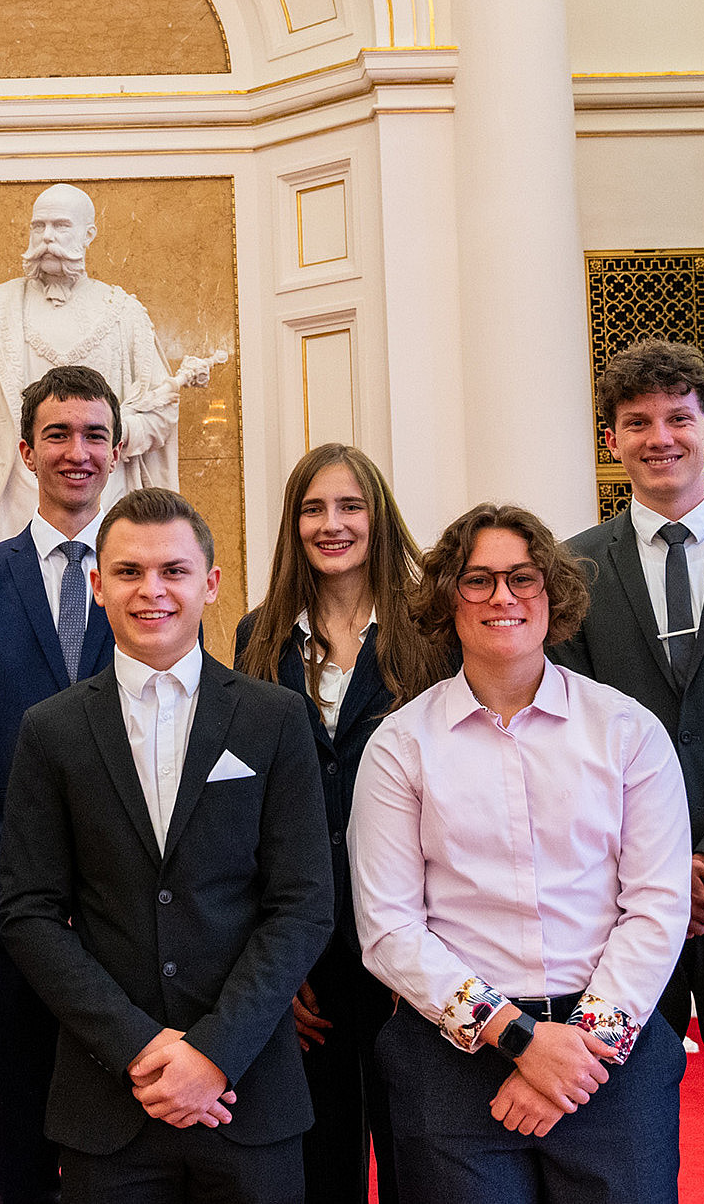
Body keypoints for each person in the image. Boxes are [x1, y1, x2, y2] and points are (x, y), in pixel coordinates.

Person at [0, 487, 334, 1204]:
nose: (151, 591)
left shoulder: (274, 718)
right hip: (109, 1099)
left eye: (173, 571)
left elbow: (303, 905)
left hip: (248, 1093)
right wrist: (142, 1049)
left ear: (209, 584)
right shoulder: (51, 729)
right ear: (96, 584)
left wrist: (213, 1053)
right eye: (127, 572)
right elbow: (28, 912)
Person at [352, 502, 692, 1203]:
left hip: (609, 1055)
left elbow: (657, 907)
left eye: (523, 578)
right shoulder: (401, 745)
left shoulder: (627, 730)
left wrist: (578, 1051)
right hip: (454, 1061)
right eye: (477, 581)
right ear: (449, 599)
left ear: (552, 593)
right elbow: (388, 929)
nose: (502, 597)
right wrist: (522, 1043)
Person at [552, 338, 704, 1202]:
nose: (659, 437)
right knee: (628, 1117)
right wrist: (663, 865)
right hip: (622, 890)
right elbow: (564, 733)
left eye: (679, 418)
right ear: (611, 441)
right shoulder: (568, 567)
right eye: (636, 422)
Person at [233, 443, 447, 1204]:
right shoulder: (258, 636)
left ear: (378, 516)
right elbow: (245, 810)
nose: (333, 524)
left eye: (350, 506)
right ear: (294, 524)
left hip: (415, 933)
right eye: (314, 508)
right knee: (321, 1167)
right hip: (302, 945)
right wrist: (270, 973)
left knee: (420, 1155)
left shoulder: (433, 630)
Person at [0, 365, 125, 1204]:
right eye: (57, 434)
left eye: (92, 435)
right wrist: (20, 892)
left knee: (123, 1135)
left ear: (116, 452)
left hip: (131, 911)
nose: (75, 452)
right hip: (11, 914)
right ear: (24, 450)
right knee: (22, 1134)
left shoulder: (150, 579)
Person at [0, 183, 221, 626]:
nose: (48, 236)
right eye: (40, 225)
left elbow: (160, 415)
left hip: (110, 511)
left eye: (61, 225)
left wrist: (105, 434)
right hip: (7, 510)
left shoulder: (124, 315)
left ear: (89, 234)